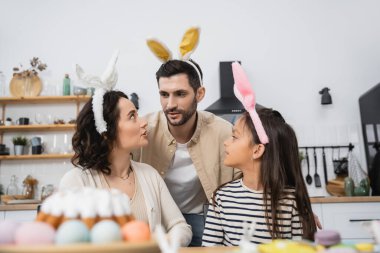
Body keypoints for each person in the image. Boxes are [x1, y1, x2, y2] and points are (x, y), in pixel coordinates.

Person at [60, 53, 192, 247]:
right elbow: (66, 243)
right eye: (132, 116)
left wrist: (161, 244)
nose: (144, 122)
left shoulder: (149, 175)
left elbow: (181, 226)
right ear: (107, 131)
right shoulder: (76, 182)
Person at [133, 27, 241, 246]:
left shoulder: (223, 131)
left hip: (206, 219)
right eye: (164, 94)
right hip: (157, 221)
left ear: (199, 94)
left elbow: (252, 174)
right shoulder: (143, 129)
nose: (170, 104)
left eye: (180, 94)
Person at [202, 63, 316, 246]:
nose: (226, 142)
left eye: (234, 137)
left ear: (257, 150)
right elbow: (210, 250)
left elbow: (300, 250)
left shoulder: (291, 202)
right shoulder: (221, 197)